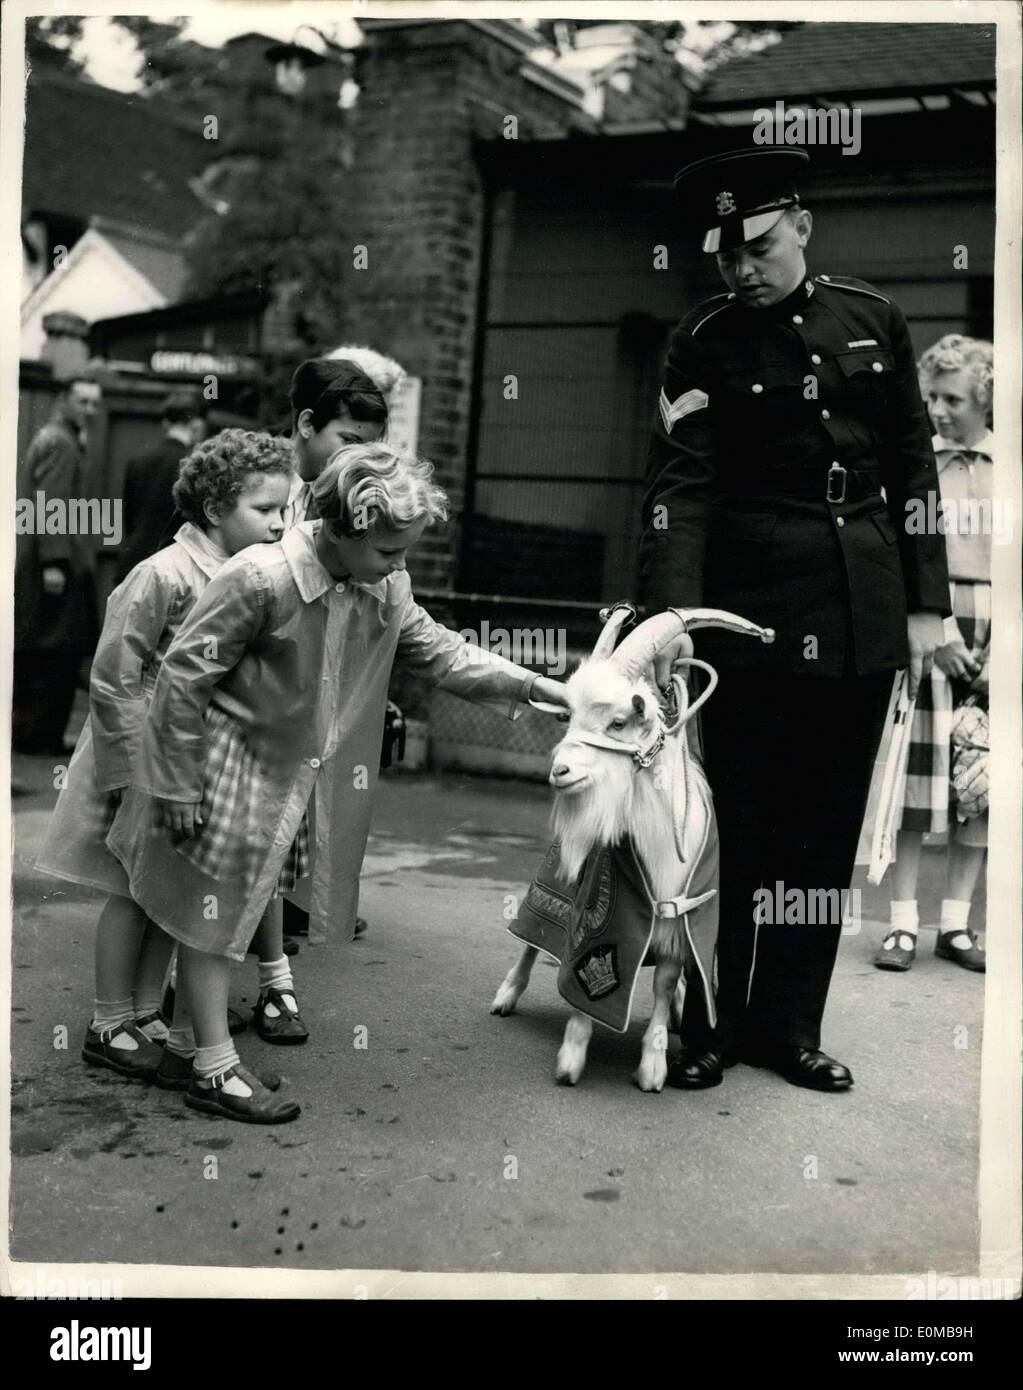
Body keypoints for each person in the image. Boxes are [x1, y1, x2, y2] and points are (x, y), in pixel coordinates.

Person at [107, 443, 567, 1123]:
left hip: (288, 778)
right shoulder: (258, 577)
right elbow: (181, 677)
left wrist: (533, 686)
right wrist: (174, 782)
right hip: (228, 764)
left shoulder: (380, 584)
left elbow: (439, 651)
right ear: (343, 529)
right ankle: (213, 1068)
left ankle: (182, 1044)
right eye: (389, 551)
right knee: (212, 919)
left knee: (237, 906)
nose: (400, 564)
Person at [637, 147, 950, 1092]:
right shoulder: (701, 339)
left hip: (859, 609)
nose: (742, 268)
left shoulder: (873, 318)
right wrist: (673, 619)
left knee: (823, 829)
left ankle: (787, 1027)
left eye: (761, 246)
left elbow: (912, 464)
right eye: (725, 255)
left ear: (801, 227)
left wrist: (928, 602)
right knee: (739, 825)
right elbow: (679, 488)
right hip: (750, 614)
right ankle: (711, 1027)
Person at [35, 430, 296, 1086]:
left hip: (182, 758)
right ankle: (106, 1022)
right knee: (128, 891)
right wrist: (125, 776)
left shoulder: (236, 577)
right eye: (264, 509)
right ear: (214, 509)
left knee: (162, 894)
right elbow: (112, 678)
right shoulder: (161, 575)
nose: (279, 523)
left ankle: (143, 1014)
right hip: (139, 760)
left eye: (283, 510)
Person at [875, 336, 993, 974]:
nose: (938, 410)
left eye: (952, 399)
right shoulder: (924, 468)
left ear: (985, 397)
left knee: (982, 781)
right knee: (918, 784)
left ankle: (956, 922)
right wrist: (938, 626)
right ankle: (901, 924)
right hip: (934, 626)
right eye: (931, 398)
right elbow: (906, 554)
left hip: (999, 633)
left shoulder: (1011, 465)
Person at [281, 356, 390, 943]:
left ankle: (291, 909)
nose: (358, 459)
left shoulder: (355, 497)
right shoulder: (256, 488)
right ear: (305, 425)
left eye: (368, 446)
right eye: (348, 441)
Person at [13, 373, 102, 755]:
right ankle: (40, 736)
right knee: (56, 652)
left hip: (53, 562)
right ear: (64, 400)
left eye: (94, 403)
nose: (89, 409)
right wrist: (55, 562)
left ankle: (35, 733)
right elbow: (51, 502)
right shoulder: (61, 443)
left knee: (46, 650)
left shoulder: (58, 438)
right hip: (55, 566)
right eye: (82, 401)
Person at [115, 391, 207, 584]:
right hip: (175, 565)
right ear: (195, 424)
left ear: (166, 423)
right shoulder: (195, 465)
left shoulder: (138, 460)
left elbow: (128, 516)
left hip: (134, 560)